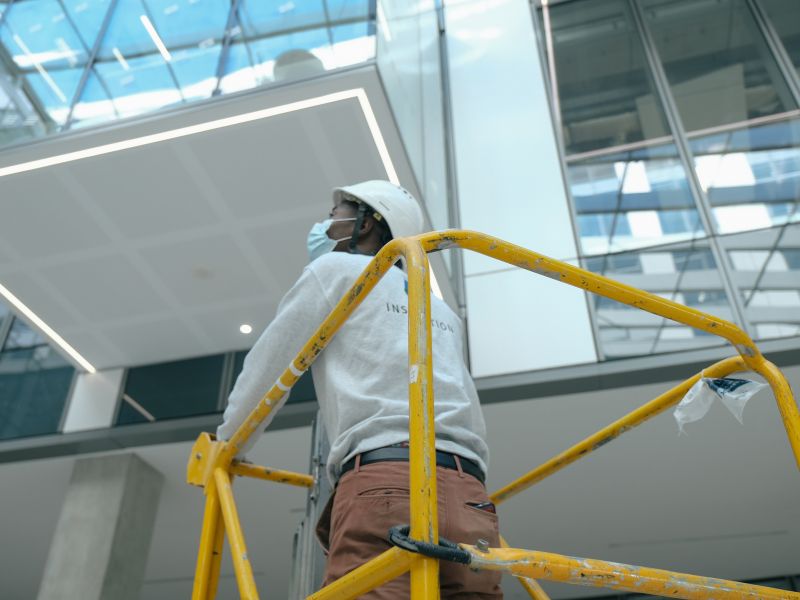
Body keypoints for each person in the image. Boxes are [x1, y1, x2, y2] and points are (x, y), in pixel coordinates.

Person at [217, 180, 502, 598]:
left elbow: (270, 365)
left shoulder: (336, 271)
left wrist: (228, 443)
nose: (325, 224)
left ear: (368, 223)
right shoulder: (436, 305)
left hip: (385, 476)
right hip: (470, 491)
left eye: (336, 214)